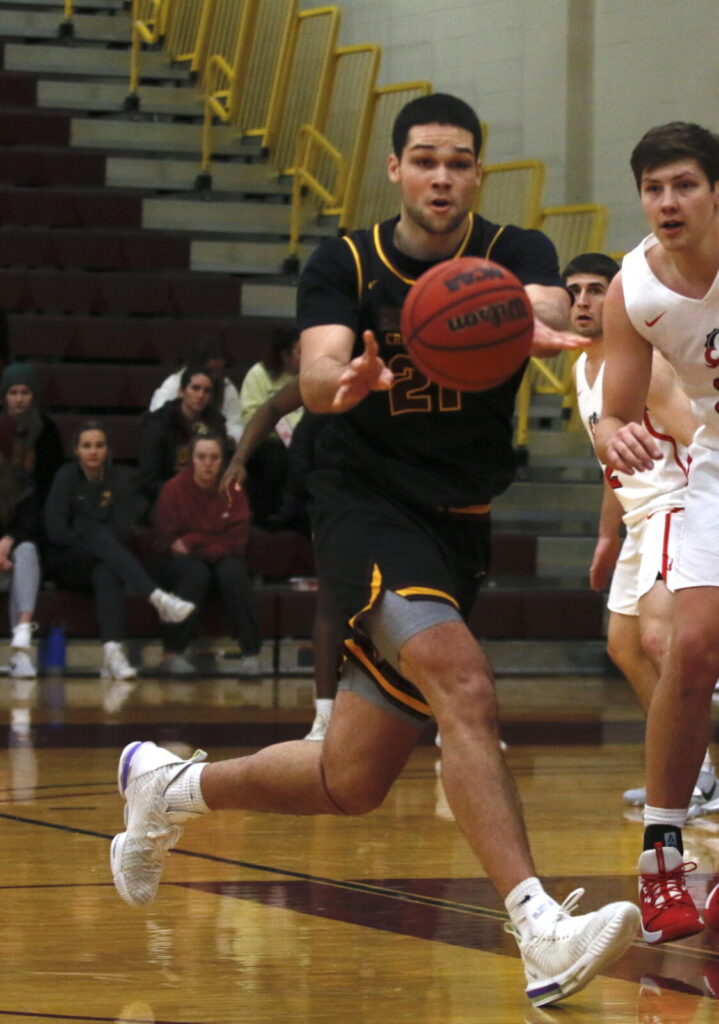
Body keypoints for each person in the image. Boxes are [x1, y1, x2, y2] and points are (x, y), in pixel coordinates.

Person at [110, 93, 639, 1009]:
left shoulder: (513, 252)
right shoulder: (343, 259)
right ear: (393, 169)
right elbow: (314, 373)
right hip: (364, 508)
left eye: (460, 162)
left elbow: (551, 303)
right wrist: (342, 381)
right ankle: (538, 926)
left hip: (459, 520)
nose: (443, 176)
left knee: (347, 779)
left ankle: (169, 786)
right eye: (425, 160)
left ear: (478, 173)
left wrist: (521, 310)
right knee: (464, 684)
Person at [594, 121, 719, 944]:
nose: (666, 203)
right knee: (692, 644)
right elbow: (612, 411)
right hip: (712, 463)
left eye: (682, 184)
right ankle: (664, 850)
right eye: (652, 188)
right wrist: (612, 434)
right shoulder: (632, 288)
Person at [564, 252, 717, 813]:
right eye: (574, 291)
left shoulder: (648, 367)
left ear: (621, 296)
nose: (583, 302)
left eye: (596, 290)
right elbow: (616, 460)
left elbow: (698, 435)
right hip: (637, 518)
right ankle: (697, 772)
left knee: (660, 640)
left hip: (677, 503)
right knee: (624, 646)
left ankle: (689, 779)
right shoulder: (582, 368)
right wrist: (608, 537)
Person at [221, 378, 341, 740]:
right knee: (332, 601)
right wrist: (239, 459)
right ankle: (324, 716)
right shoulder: (331, 379)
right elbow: (272, 407)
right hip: (338, 500)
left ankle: (444, 716)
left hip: (392, 499)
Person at [44, 419, 196, 680]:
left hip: (105, 560)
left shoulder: (119, 480)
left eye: (99, 445)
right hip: (67, 562)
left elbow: (122, 532)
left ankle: (113, 654)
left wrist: (83, 525)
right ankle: (157, 597)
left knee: (106, 570)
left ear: (107, 450)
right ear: (76, 450)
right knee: (98, 533)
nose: (93, 451)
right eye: (87, 446)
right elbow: (55, 531)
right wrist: (88, 531)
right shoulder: (66, 476)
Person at [152, 433, 262, 678]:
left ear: (222, 461)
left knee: (233, 573)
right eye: (201, 457)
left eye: (214, 457)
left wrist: (194, 540)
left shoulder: (233, 489)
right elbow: (168, 542)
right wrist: (210, 544)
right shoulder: (173, 489)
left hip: (220, 557)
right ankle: (173, 652)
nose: (208, 463)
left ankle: (251, 654)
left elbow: (237, 543)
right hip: (179, 563)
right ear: (191, 459)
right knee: (195, 573)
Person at [139, 366, 231, 510]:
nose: (201, 395)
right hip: (169, 499)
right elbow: (149, 481)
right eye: (195, 388)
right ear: (181, 391)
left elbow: (224, 468)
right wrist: (183, 493)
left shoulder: (216, 423)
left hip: (209, 496)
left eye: (207, 391)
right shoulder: (158, 423)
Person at [238, 328, 303, 526]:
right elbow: (250, 414)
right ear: (284, 355)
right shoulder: (259, 374)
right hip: (266, 442)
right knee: (278, 460)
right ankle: (269, 517)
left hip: (300, 441)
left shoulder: (309, 376)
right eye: (301, 351)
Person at [0, 421, 41, 678]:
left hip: (7, 566)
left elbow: (31, 526)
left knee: (26, 550)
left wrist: (7, 541)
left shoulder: (20, 482)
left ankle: (22, 642)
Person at [149, 336, 243, 444]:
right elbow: (157, 419)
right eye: (211, 370)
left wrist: (231, 438)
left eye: (219, 370)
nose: (215, 376)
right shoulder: (173, 384)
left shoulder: (227, 387)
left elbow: (235, 424)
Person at [0, 362, 64, 512]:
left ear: (34, 395)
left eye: (25, 392)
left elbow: (52, 478)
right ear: (4, 396)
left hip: (37, 504)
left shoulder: (47, 429)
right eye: (13, 393)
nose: (19, 399)